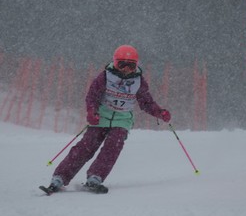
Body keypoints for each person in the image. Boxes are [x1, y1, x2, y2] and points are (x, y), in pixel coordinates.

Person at [43, 45, 171, 194]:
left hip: (122, 120)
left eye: (131, 65)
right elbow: (92, 96)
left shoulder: (138, 81)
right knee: (86, 146)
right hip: (101, 117)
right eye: (121, 64)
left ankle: (95, 177)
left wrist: (159, 112)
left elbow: (146, 102)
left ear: (136, 65)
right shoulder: (105, 76)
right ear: (115, 62)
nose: (126, 69)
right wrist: (92, 112)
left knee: (113, 147)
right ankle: (60, 177)